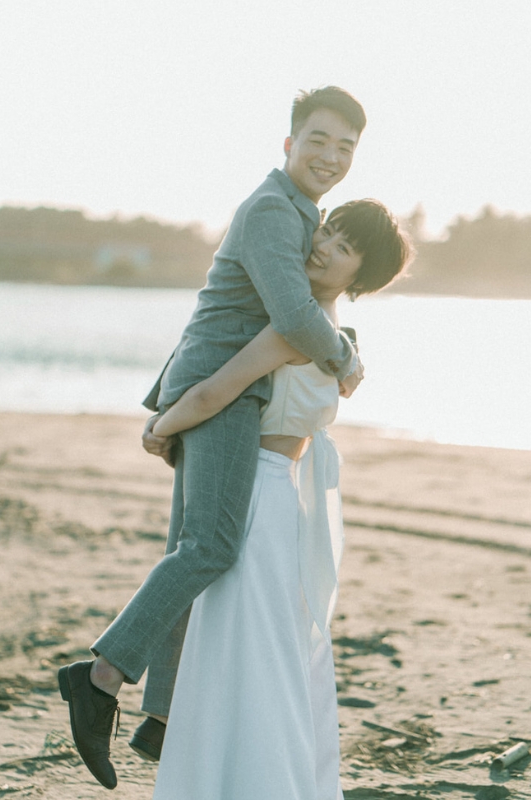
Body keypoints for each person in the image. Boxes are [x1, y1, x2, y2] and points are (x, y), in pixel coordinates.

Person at [58, 86, 367, 790]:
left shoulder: (301, 216)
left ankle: (161, 716)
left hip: (215, 384)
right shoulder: (270, 210)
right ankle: (100, 679)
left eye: (345, 148)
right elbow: (291, 315)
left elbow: (262, 305)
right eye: (318, 140)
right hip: (224, 389)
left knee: (189, 549)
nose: (330, 156)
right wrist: (345, 358)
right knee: (211, 547)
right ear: (289, 144)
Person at [148, 200, 411, 797]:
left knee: (246, 652)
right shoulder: (332, 336)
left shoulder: (299, 329)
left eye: (343, 247)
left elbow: (215, 391)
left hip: (261, 497)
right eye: (327, 230)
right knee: (266, 652)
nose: (322, 245)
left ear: (360, 277)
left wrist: (160, 427)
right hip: (277, 498)